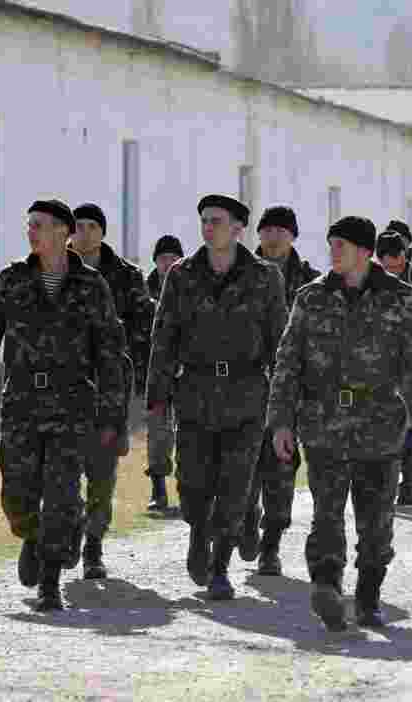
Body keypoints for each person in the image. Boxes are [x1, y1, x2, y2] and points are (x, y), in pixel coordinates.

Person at [267, 216, 412, 631]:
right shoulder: (311, 298)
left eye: (341, 245)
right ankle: (326, 586)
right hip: (324, 425)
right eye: (331, 244)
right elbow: (288, 363)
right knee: (326, 516)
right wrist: (280, 422)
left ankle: (368, 596)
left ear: (365, 251)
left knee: (375, 523)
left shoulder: (401, 299)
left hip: (380, 426)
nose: (333, 252)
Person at [0, 199, 128, 611]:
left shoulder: (90, 285)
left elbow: (110, 352)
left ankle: (50, 580)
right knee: (17, 494)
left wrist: (112, 413)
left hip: (72, 404)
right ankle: (31, 536)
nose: (30, 231)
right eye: (29, 224)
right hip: (21, 403)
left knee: (63, 493)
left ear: (62, 233)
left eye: (39, 225)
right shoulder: (12, 280)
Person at [146, 194, 288, 600]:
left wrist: (284, 404)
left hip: (246, 396)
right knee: (192, 483)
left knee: (235, 483)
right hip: (195, 393)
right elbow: (164, 336)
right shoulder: (181, 275)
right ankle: (197, 533)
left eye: (217, 221)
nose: (208, 228)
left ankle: (221, 565)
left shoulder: (265, 277)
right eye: (204, 220)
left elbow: (281, 345)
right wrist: (157, 394)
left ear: (239, 228)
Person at [69, 203, 153, 580]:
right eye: (78, 227)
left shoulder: (126, 276)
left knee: (102, 470)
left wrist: (126, 365)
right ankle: (66, 532)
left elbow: (143, 326)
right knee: (61, 465)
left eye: (90, 227)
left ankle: (94, 546)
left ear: (102, 232)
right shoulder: (55, 271)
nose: (83, 233)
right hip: (65, 386)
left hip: (110, 387)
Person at [241, 205, 322, 577]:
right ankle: (244, 520)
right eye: (267, 230)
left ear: (293, 236)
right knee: (241, 465)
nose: (272, 237)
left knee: (281, 465)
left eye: (280, 231)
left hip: (291, 389)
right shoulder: (238, 273)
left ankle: (271, 543)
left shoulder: (311, 282)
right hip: (243, 385)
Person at [375, 231, 412, 507]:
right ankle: (398, 476)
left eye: (396, 259)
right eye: (385, 261)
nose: (392, 266)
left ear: (405, 255)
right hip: (382, 365)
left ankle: (409, 477)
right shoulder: (369, 281)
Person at [145, 234, 185, 512]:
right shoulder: (142, 294)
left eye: (173, 258)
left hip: (186, 373)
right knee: (158, 432)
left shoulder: (193, 288)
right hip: (156, 372)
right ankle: (158, 488)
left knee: (188, 432)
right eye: (163, 259)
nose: (168, 263)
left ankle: (189, 487)